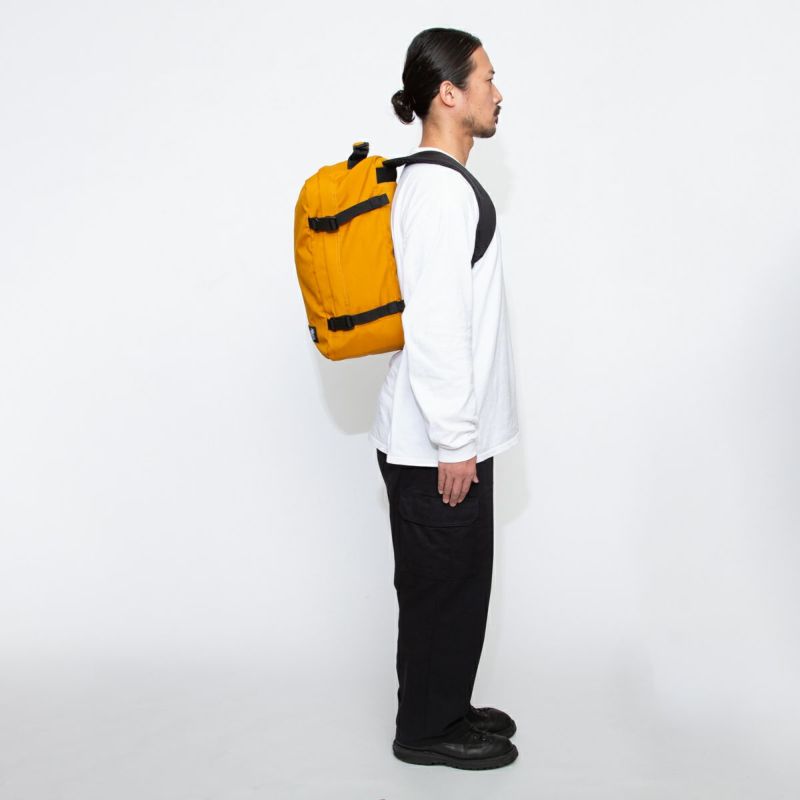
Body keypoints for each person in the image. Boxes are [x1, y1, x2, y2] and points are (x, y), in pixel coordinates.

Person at [368, 27, 520, 770]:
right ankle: (425, 730)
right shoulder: (436, 193)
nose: (498, 93)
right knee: (440, 591)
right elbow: (435, 327)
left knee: (458, 585)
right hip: (435, 446)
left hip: (447, 440)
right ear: (449, 94)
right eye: (486, 79)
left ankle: (447, 703)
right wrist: (456, 441)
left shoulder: (442, 184)